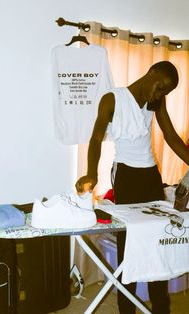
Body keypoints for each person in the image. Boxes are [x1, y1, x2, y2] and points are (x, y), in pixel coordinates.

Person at [75, 61, 189, 314]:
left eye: (165, 93)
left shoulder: (155, 101)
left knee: (157, 241)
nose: (159, 95)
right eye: (160, 87)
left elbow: (170, 136)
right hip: (125, 173)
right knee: (131, 246)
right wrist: (91, 174)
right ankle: (127, 309)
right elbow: (95, 138)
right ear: (151, 74)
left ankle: (162, 308)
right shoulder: (112, 99)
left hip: (150, 175)